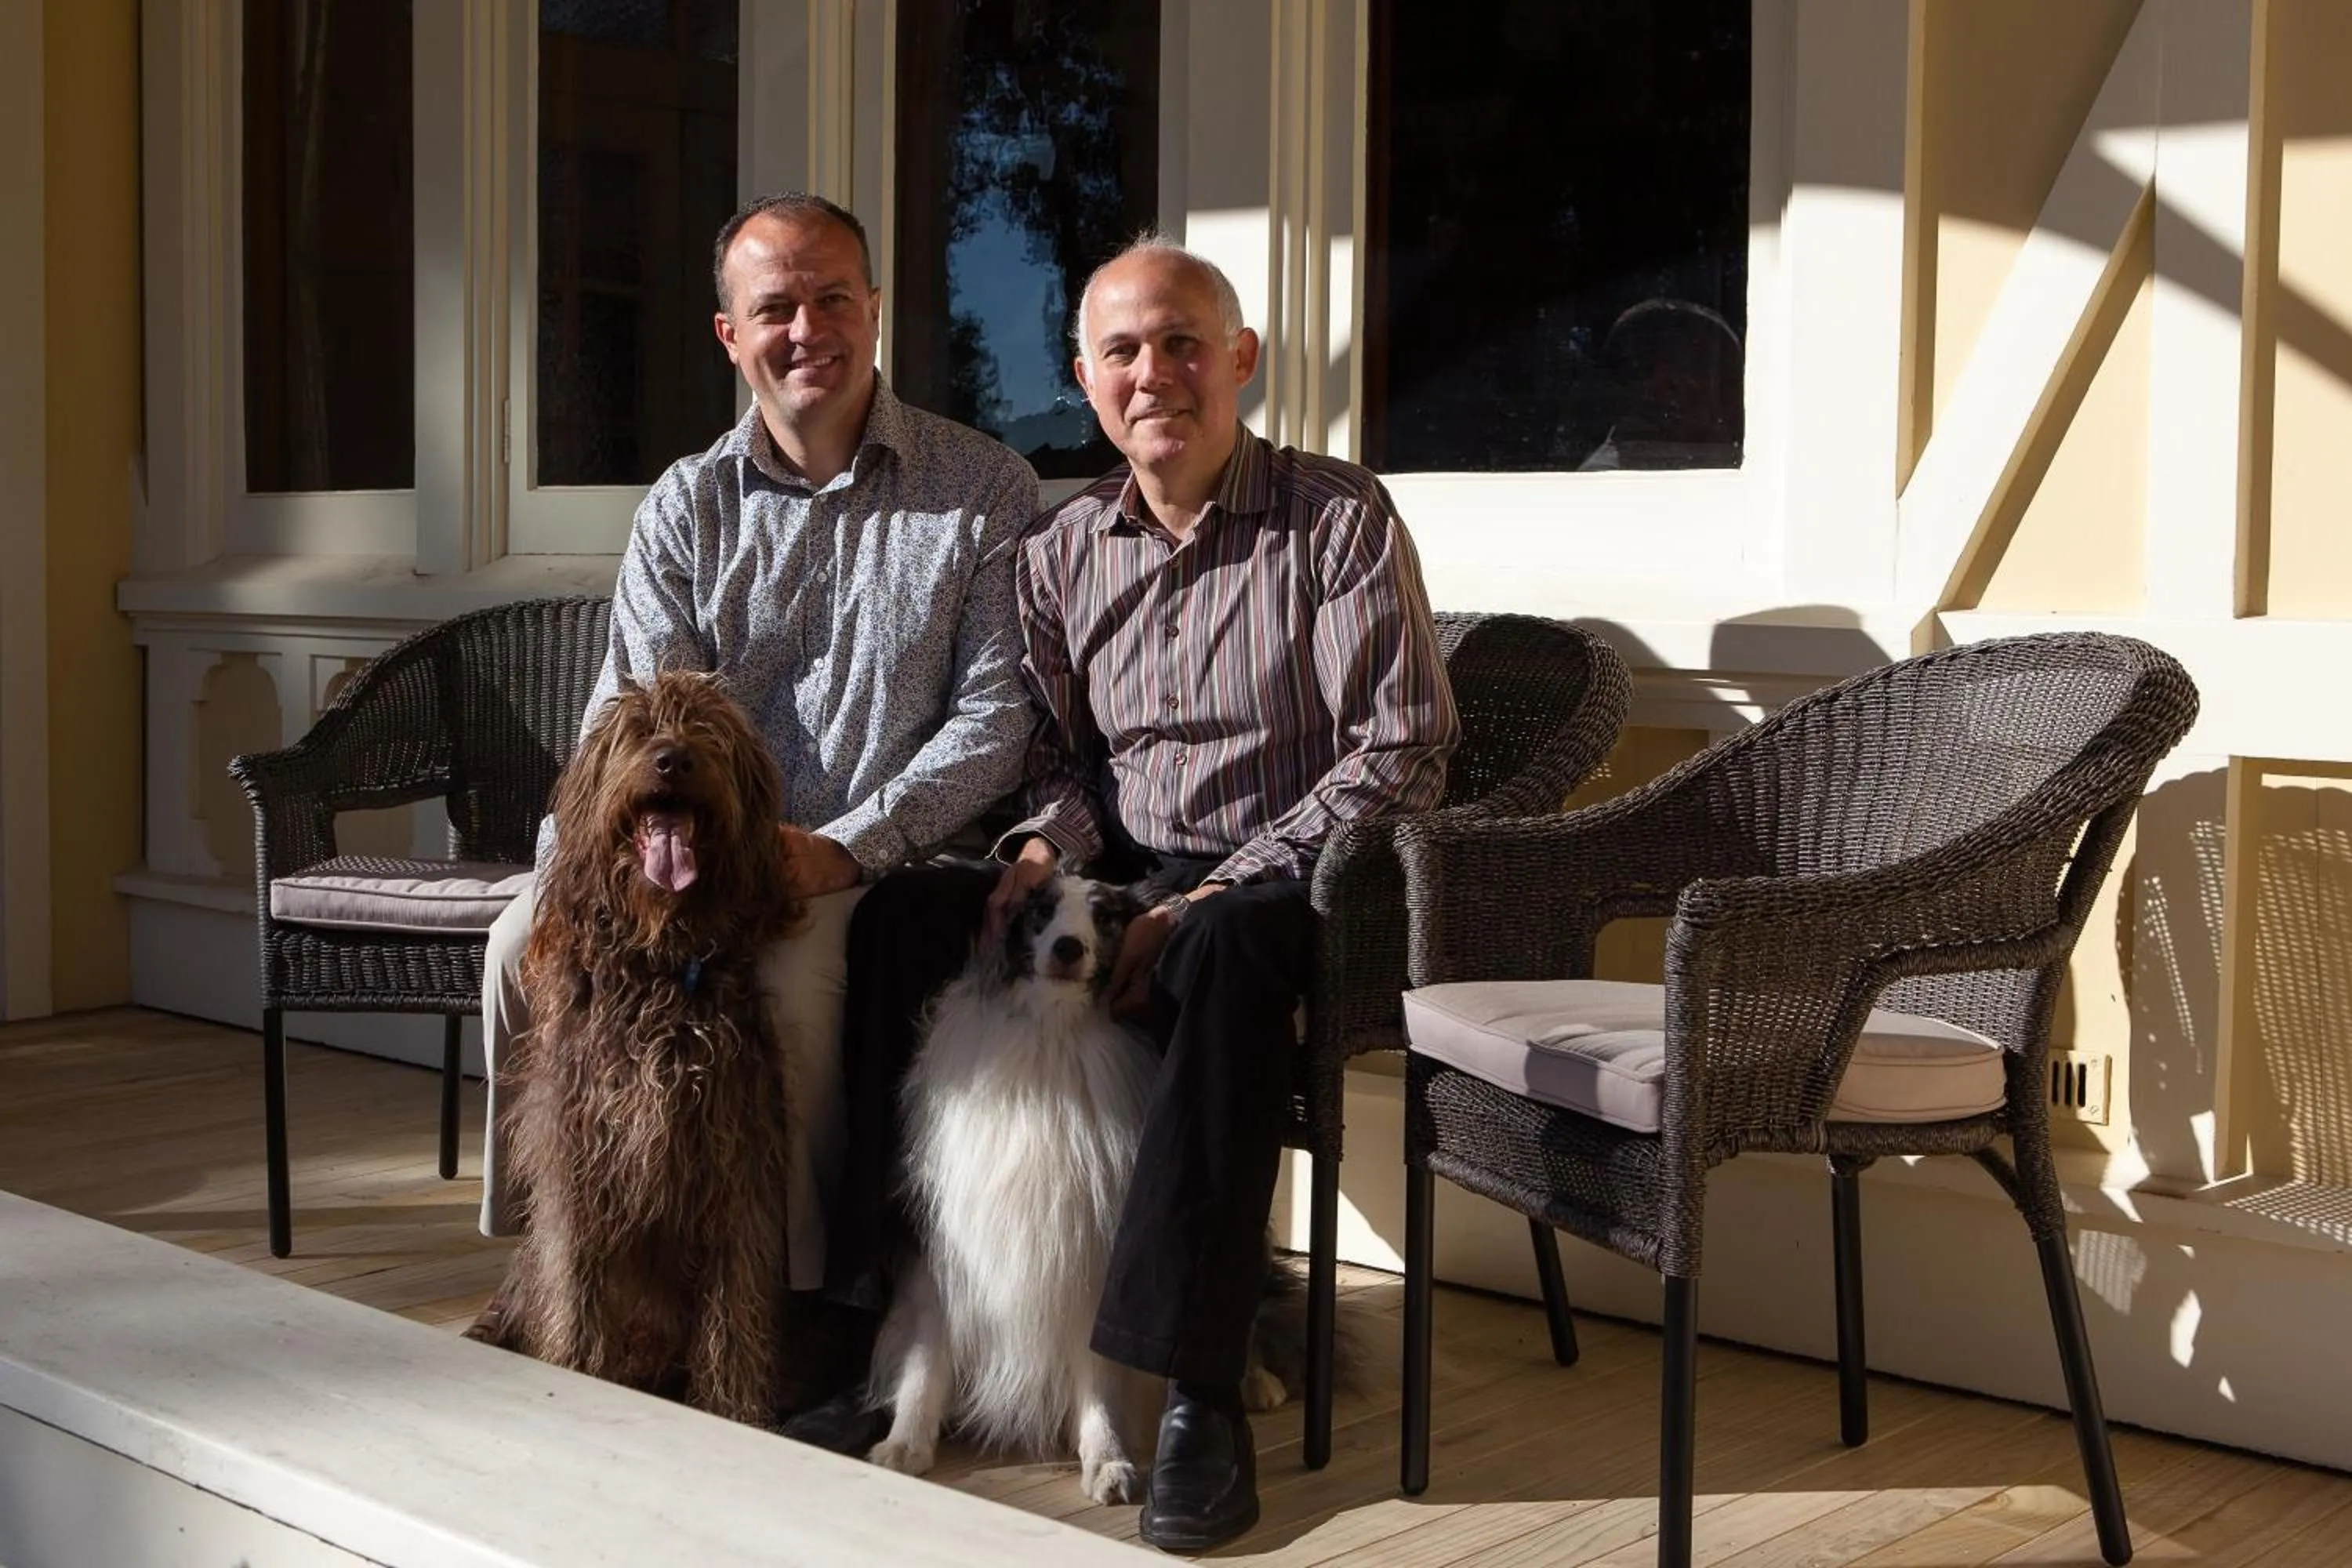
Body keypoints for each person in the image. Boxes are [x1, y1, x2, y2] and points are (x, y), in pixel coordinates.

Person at [806, 236, 1458, 1552]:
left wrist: (1208, 889)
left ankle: (1195, 1392)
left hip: (1306, 889)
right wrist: (1038, 854)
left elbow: (1400, 754)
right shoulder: (1061, 553)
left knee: (1213, 955)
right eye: (1122, 351)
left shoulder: (1336, 519)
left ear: (1240, 361)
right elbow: (1066, 765)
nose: (1152, 372)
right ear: (1087, 380)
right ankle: (870, 1321)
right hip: (1131, 874)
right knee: (905, 915)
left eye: (1180, 343)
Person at [469, 192, 1040, 1330]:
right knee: (509, 952)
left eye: (834, 299)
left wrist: (846, 844)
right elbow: (627, 725)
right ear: (731, 335)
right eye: (775, 306)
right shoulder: (687, 504)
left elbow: (996, 720)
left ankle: (785, 1315)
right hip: (694, 851)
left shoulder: (983, 490)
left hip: (880, 859)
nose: (807, 328)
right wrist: (559, 881)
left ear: (875, 312)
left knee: (783, 988)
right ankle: (569, 1271)